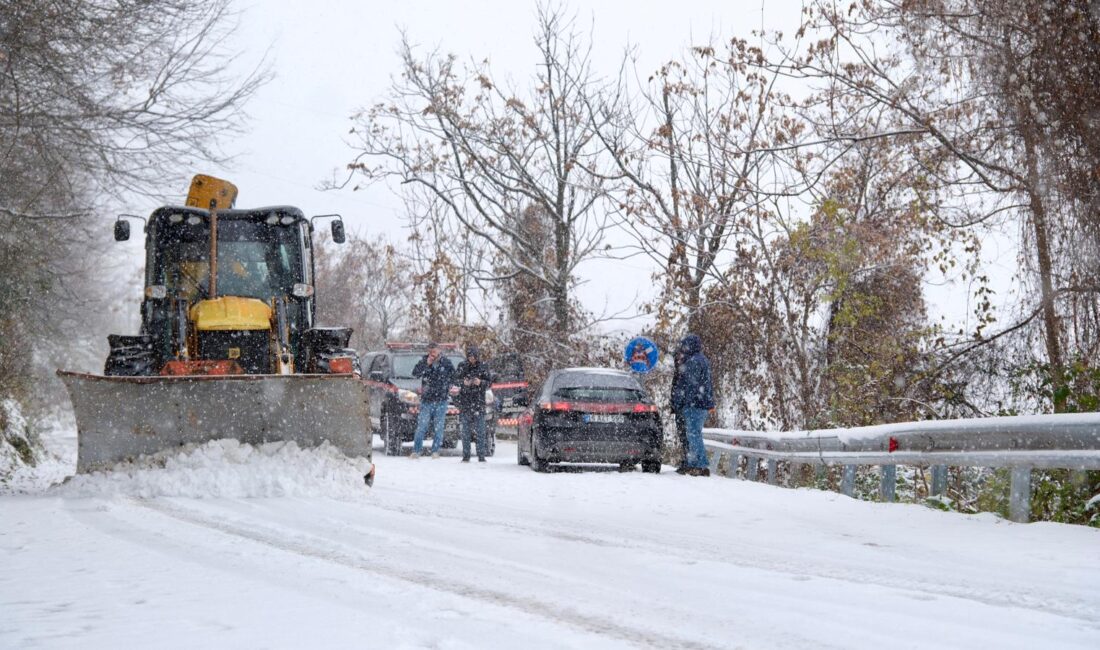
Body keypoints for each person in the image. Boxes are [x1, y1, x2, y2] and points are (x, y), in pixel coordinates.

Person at [676, 334, 714, 476]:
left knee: (693, 434)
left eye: (685, 345)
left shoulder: (693, 361)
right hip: (701, 403)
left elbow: (690, 385)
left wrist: (684, 401)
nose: (683, 348)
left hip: (694, 404)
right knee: (693, 433)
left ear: (690, 346)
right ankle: (693, 463)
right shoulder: (702, 360)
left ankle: (700, 465)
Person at [410, 342, 455, 459]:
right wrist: (426, 364)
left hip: (441, 400)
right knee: (422, 426)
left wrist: (448, 386)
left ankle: (435, 451)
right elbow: (415, 373)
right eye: (430, 352)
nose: (432, 354)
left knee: (439, 427)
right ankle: (416, 451)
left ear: (439, 351)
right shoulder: (424, 361)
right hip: (427, 400)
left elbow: (454, 377)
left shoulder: (446, 363)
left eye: (434, 351)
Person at [452, 344, 493, 462]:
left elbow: (489, 382)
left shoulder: (483, 366)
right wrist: (463, 383)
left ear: (477, 356)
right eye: (470, 357)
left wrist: (480, 382)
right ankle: (466, 456)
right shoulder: (462, 366)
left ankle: (481, 455)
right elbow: (455, 380)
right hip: (465, 402)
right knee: (465, 432)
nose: (472, 359)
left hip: (479, 403)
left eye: (474, 357)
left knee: (481, 431)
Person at [670, 348, 689, 473]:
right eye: (676, 357)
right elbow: (675, 390)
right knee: (683, 436)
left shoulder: (685, 371)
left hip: (684, 408)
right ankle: (686, 460)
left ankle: (688, 461)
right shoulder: (678, 371)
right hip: (679, 408)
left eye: (679, 356)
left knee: (686, 436)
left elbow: (681, 390)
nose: (677, 359)